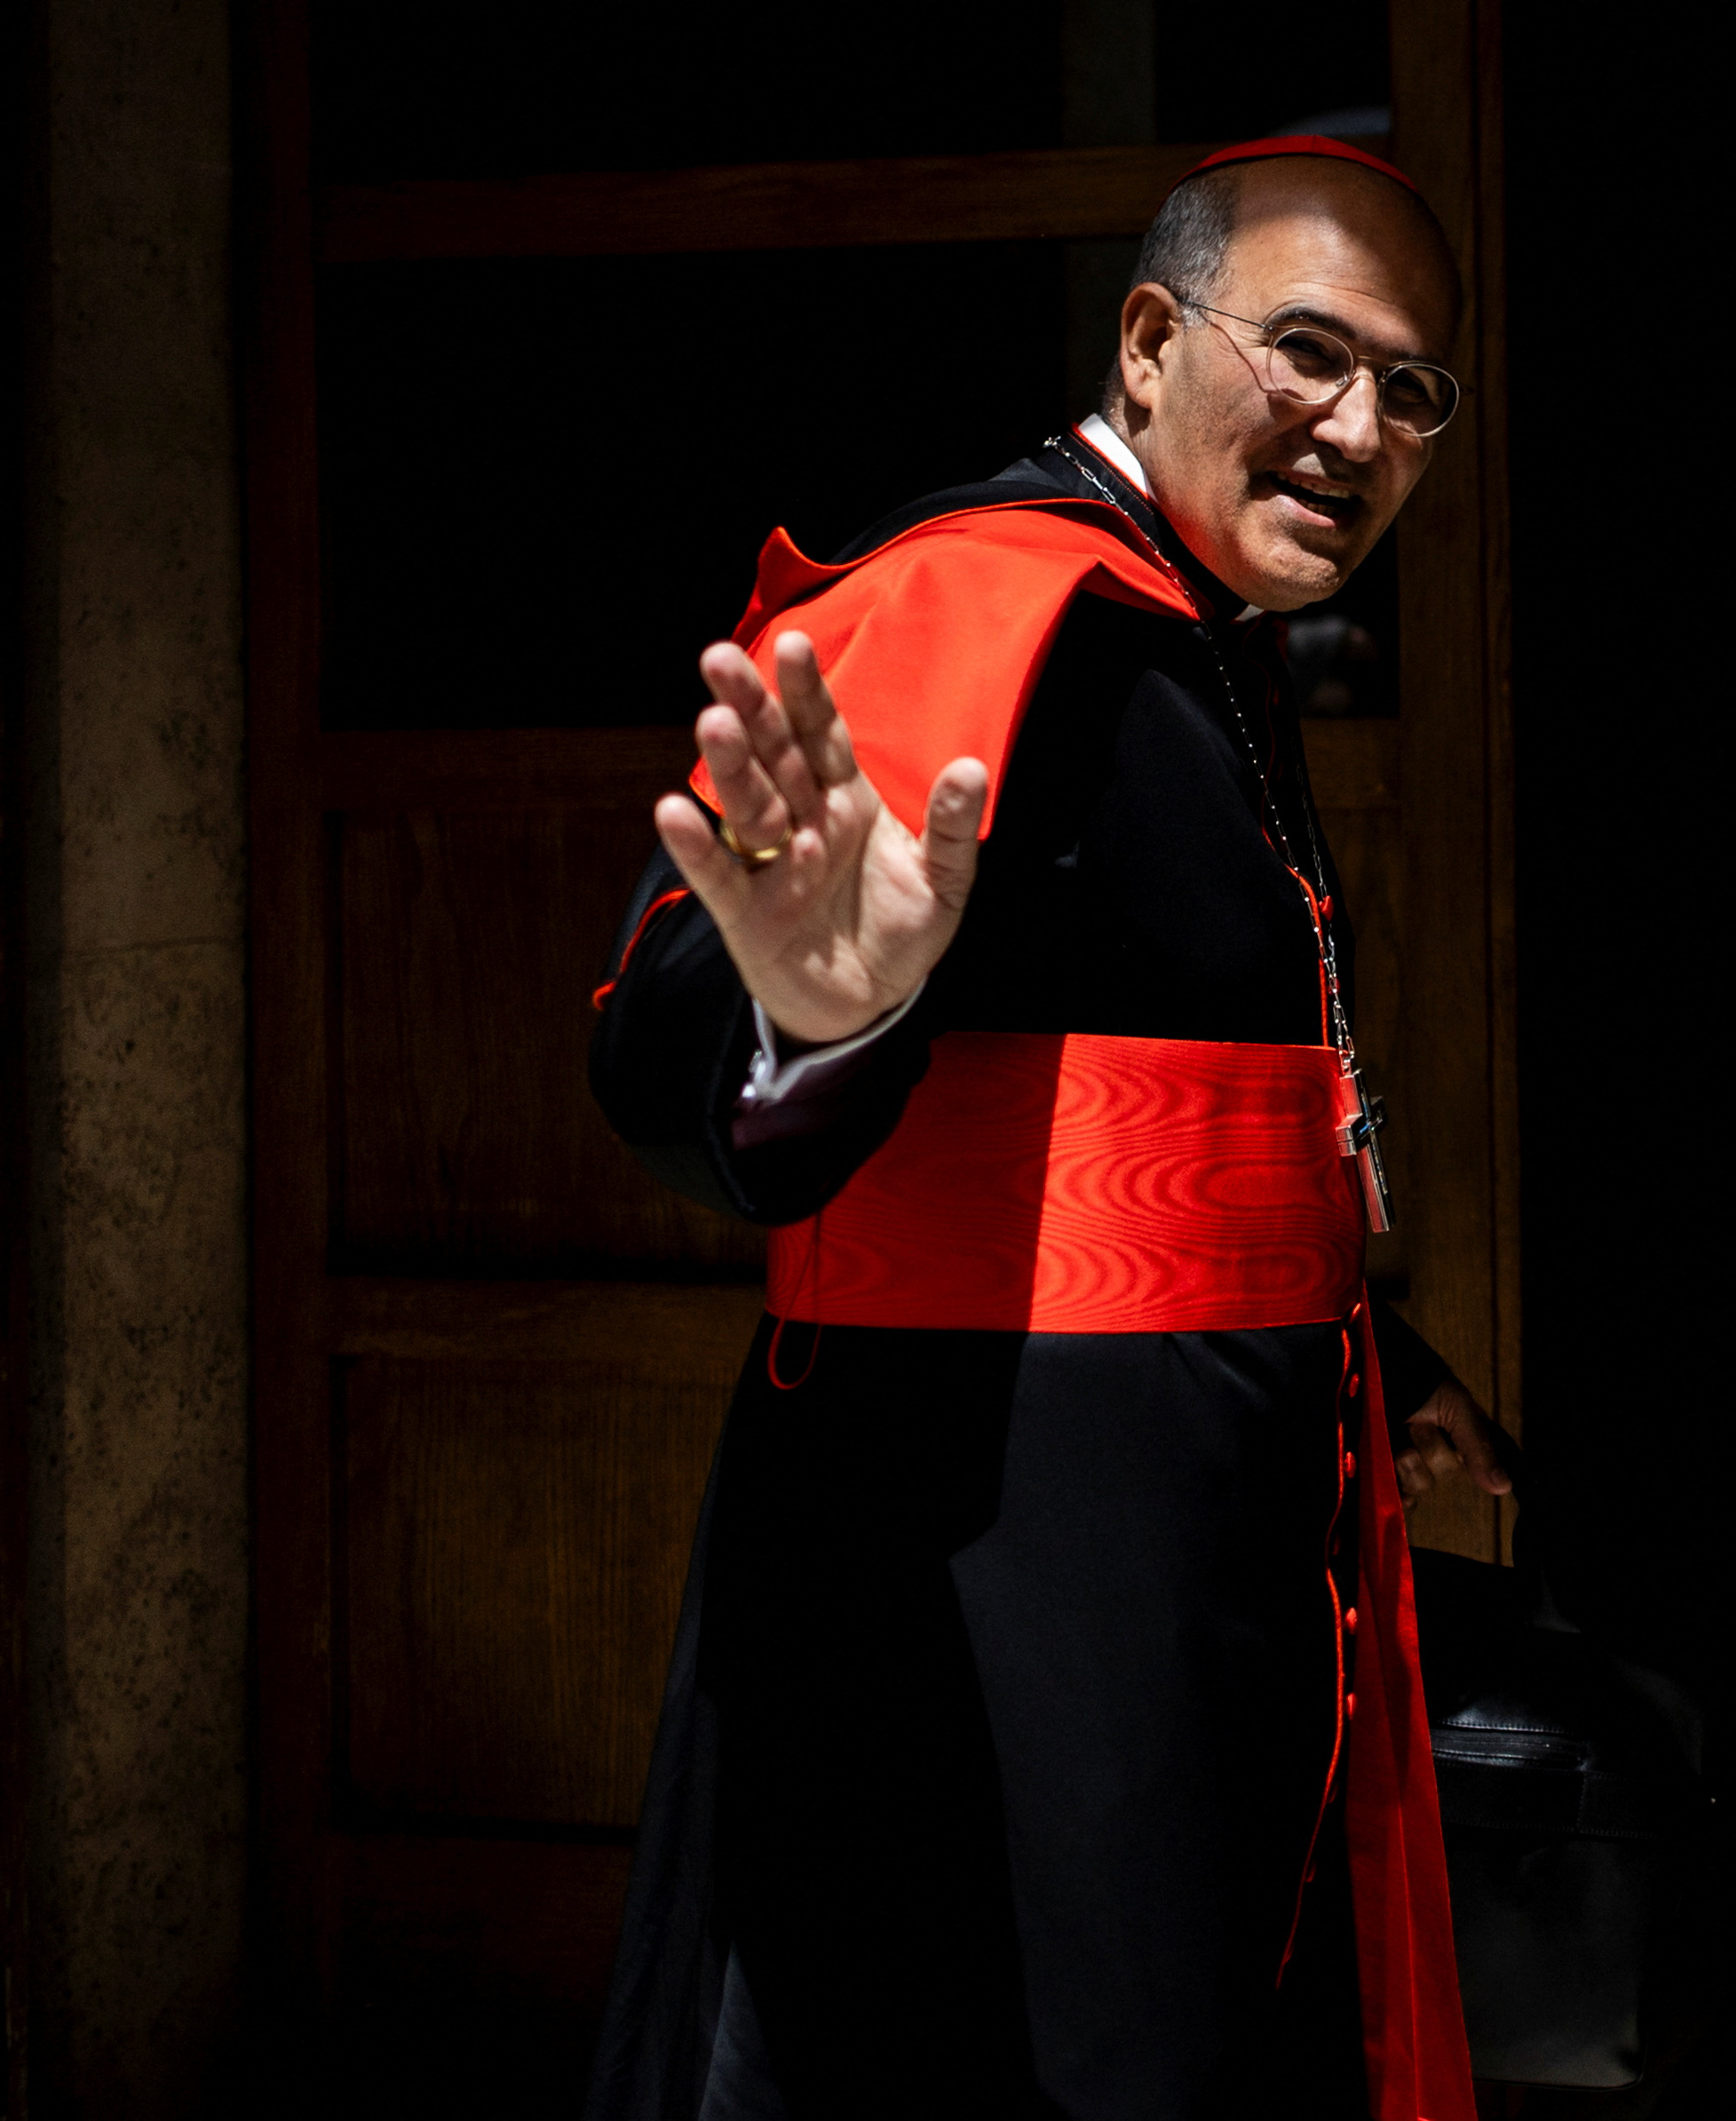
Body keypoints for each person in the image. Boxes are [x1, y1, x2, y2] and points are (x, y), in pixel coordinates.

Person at [580, 138, 1512, 2121]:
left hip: (1211, 1549)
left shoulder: (1201, 624)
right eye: (1315, 354)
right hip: (983, 1599)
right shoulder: (972, 597)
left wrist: (1370, 1349)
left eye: (1414, 391)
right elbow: (668, 1051)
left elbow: (1125, 1120)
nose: (1360, 427)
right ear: (1155, 337)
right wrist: (815, 1013)